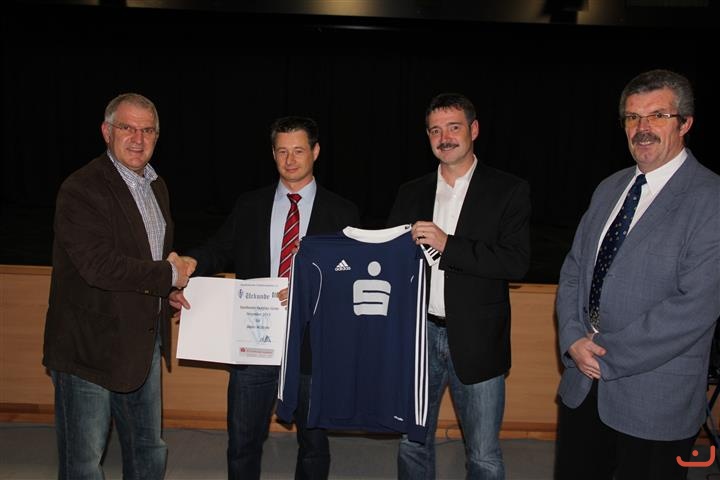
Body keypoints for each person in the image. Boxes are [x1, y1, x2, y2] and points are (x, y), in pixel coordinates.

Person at [170, 116, 360, 480]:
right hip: (253, 342)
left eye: (299, 151)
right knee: (242, 444)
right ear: (273, 154)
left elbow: (350, 277)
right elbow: (219, 248)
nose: (290, 160)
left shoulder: (343, 212)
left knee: (314, 446)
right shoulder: (250, 205)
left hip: (314, 345)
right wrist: (192, 262)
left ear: (316, 152)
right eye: (282, 151)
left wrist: (314, 286)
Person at [554, 69, 720, 480]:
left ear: (685, 123)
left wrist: (603, 354)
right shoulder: (609, 188)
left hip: (654, 400)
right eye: (632, 117)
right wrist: (572, 338)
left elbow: (695, 307)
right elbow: (574, 269)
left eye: (657, 115)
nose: (642, 128)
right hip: (583, 387)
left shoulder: (710, 199)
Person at [42, 92, 195, 480]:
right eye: (127, 128)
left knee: (148, 451)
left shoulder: (156, 186)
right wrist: (167, 276)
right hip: (89, 350)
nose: (138, 139)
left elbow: (146, 258)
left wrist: (168, 291)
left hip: (142, 344)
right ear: (106, 131)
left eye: (148, 130)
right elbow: (99, 267)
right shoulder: (81, 188)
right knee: (84, 463)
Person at [387, 92, 531, 479]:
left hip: (478, 339)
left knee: (483, 455)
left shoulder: (508, 189)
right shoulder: (410, 191)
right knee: (412, 442)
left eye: (453, 127)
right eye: (435, 130)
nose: (444, 137)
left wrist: (448, 244)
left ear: (474, 130)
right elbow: (390, 260)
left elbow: (515, 263)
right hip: (418, 337)